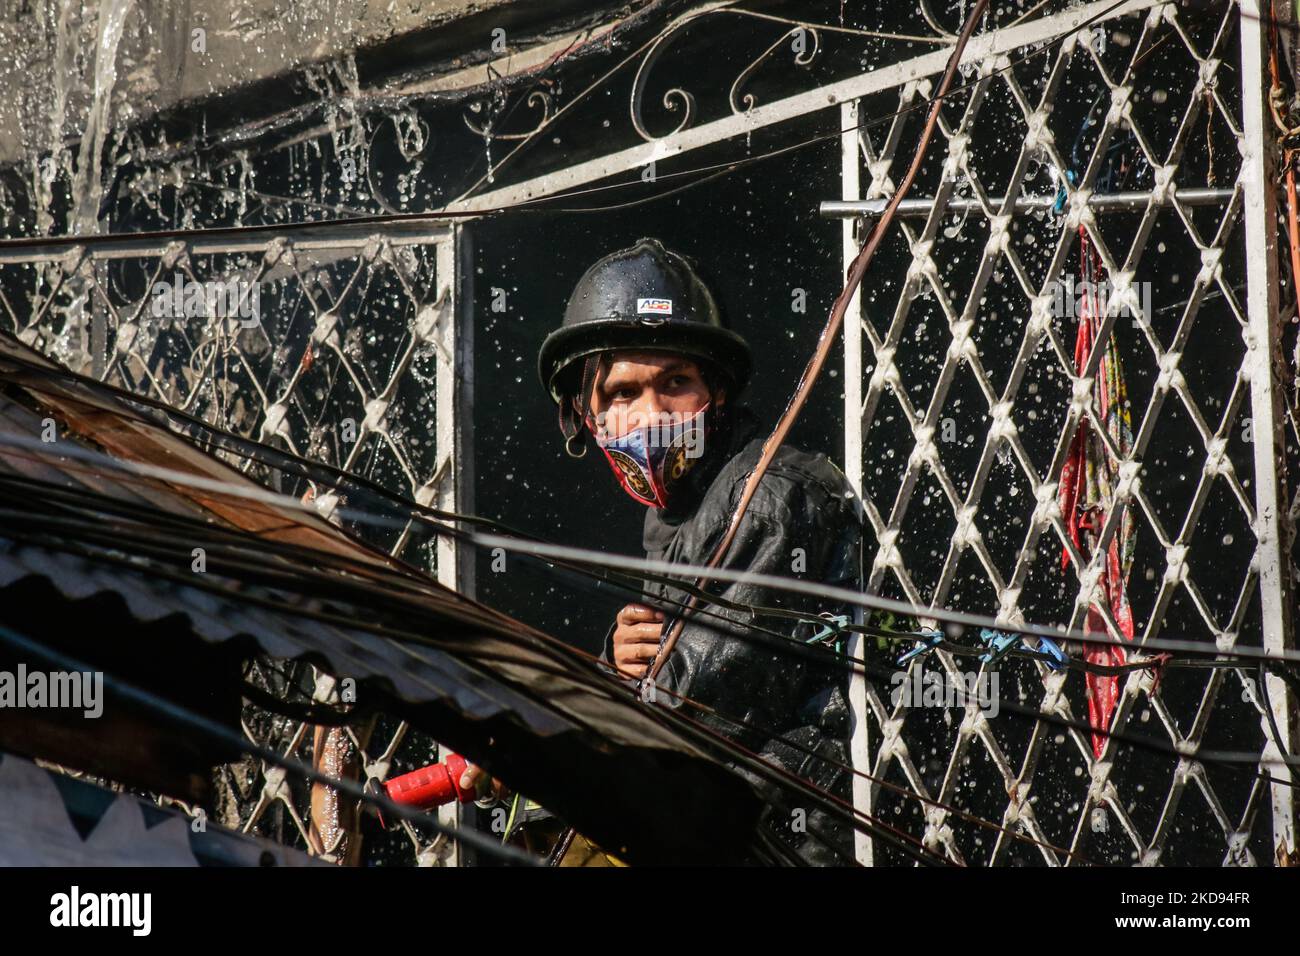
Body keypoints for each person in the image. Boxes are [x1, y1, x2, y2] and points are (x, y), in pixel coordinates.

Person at [533, 237, 871, 864]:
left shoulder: (773, 495)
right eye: (622, 393)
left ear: (715, 393)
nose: (651, 415)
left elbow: (693, 711)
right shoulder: (676, 519)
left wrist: (532, 728)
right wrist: (619, 658)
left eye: (676, 383)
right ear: (585, 415)